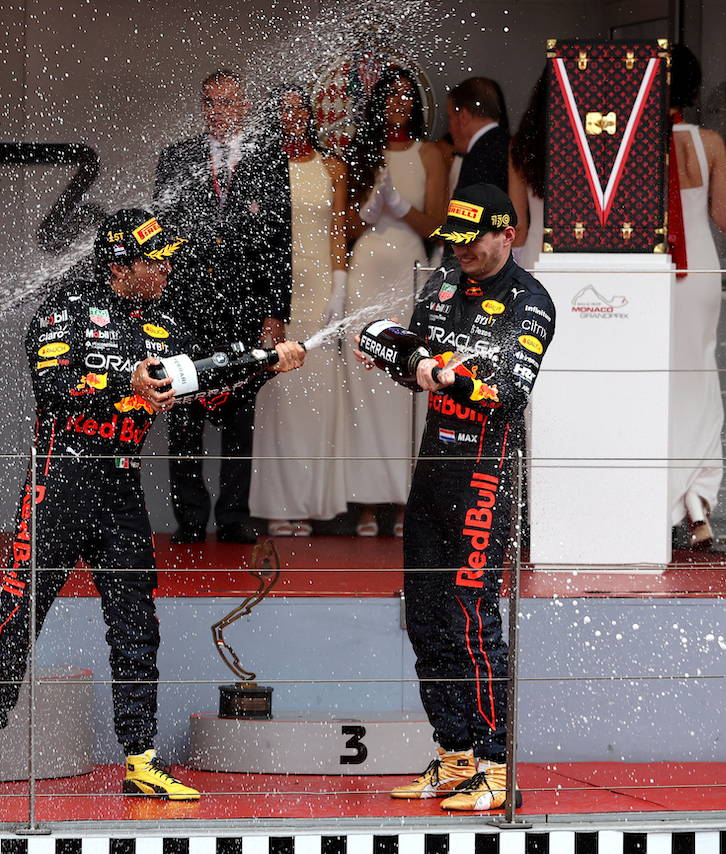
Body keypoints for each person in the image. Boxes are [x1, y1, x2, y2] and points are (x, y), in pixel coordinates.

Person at [0, 208, 305, 801]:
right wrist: (124, 385)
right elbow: (52, 390)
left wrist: (267, 364)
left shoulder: (164, 323)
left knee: (137, 626)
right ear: (121, 262)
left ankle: (141, 758)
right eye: (154, 260)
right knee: (19, 613)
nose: (165, 269)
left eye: (166, 259)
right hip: (59, 483)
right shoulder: (66, 310)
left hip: (122, 491)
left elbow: (204, 383)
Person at [354, 184, 555, 811]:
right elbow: (410, 360)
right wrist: (392, 352)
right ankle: (456, 756)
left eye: (474, 241)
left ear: (507, 236)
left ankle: (498, 767)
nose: (462, 251)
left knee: (473, 618)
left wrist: (439, 370)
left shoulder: (532, 301)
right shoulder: (442, 284)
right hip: (433, 473)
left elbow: (508, 391)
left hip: (484, 478)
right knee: (425, 619)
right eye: (456, 240)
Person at [153, 69, 291, 545]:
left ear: (245, 106)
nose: (219, 112)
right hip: (187, 307)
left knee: (239, 413)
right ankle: (190, 516)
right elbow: (161, 239)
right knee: (185, 410)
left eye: (228, 102)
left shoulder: (269, 158)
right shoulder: (176, 159)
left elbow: (279, 243)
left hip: (245, 308)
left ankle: (234, 515)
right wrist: (160, 309)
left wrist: (276, 313)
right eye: (210, 103)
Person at [342, 69, 447, 536]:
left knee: (408, 381)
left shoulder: (431, 154)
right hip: (366, 274)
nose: (399, 103)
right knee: (365, 387)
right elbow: (341, 231)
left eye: (407, 96)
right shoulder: (359, 154)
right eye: (390, 95)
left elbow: (441, 228)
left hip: (409, 274)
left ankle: (408, 501)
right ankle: (367, 503)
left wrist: (402, 208)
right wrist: (368, 213)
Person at [249, 86, 349, 536]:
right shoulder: (265, 166)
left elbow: (337, 232)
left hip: (318, 290)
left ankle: (309, 502)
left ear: (311, 114)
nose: (292, 117)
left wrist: (339, 290)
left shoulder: (331, 165)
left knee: (314, 396)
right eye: (283, 110)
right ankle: (277, 504)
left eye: (298, 109)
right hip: (279, 293)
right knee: (280, 398)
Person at [665, 45, 726, 548]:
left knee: (658, 379)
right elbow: (723, 216)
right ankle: (697, 502)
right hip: (702, 269)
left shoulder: (638, 143)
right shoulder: (710, 142)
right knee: (700, 377)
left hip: (659, 270)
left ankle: (663, 493)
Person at [508, 71, 548, 271]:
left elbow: (518, 224)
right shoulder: (596, 143)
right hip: (580, 256)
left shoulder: (525, 141)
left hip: (536, 251)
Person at [447, 77, 510, 193]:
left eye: (450, 117)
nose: (449, 129)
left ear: (463, 116)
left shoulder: (477, 159)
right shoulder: (510, 146)